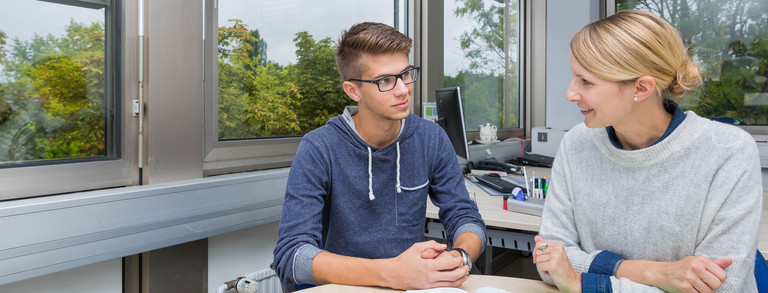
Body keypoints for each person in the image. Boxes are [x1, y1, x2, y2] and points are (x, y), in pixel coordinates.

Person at [533, 10, 763, 292]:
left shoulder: (729, 151)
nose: (570, 94)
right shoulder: (576, 143)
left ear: (641, 88)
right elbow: (549, 261)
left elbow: (722, 288)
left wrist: (584, 283)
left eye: (586, 81)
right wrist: (651, 272)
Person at [272, 22, 487, 290]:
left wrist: (460, 257)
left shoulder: (431, 138)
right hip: (345, 287)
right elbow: (292, 256)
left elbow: (465, 215)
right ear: (353, 90)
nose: (403, 89)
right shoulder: (318, 148)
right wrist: (392, 272)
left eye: (406, 74)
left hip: (409, 285)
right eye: (385, 80)